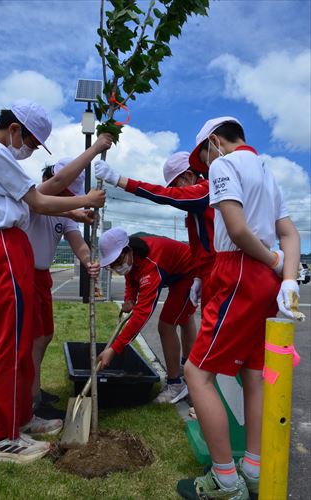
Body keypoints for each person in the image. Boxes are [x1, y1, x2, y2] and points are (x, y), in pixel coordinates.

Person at [176, 117, 300, 499]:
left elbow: (238, 230)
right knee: (253, 372)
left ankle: (225, 480)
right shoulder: (266, 170)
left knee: (196, 374)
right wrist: (288, 276)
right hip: (265, 280)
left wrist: (270, 261)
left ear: (214, 142)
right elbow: (290, 233)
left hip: (241, 270)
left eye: (201, 160)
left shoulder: (224, 164)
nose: (202, 169)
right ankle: (253, 469)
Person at [0, 99, 107, 464]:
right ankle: (1, 439)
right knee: (9, 344)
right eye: (32, 143)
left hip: (8, 246)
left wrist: (77, 208)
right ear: (15, 128)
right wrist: (88, 198)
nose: (30, 151)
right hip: (2, 246)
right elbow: (38, 200)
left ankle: (20, 420)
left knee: (20, 342)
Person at [28, 156, 109, 419]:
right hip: (24, 273)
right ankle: (31, 400)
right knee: (32, 340)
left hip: (42, 277)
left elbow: (78, 243)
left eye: (69, 193)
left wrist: (88, 262)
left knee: (44, 336)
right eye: (63, 191)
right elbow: (44, 204)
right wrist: (82, 203)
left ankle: (33, 389)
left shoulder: (65, 213)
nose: (66, 196)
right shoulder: (36, 194)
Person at [94, 153, 215, 314]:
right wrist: (200, 275)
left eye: (174, 185)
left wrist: (118, 180)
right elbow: (197, 244)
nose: (173, 191)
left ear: (188, 175)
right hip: (206, 270)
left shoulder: (203, 191)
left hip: (215, 269)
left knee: (212, 327)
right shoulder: (194, 207)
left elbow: (163, 195)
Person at [97, 228, 198, 404]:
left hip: (189, 273)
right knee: (183, 317)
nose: (117, 268)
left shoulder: (151, 263)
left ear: (128, 249)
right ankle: (187, 368)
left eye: (118, 261)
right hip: (176, 273)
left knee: (166, 325)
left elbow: (142, 314)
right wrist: (129, 298)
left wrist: (114, 349)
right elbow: (131, 277)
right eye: (112, 265)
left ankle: (176, 384)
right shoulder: (133, 257)